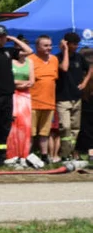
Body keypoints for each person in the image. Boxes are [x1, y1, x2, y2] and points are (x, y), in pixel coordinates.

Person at [0, 26, 31, 167]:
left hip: (7, 96)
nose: (2, 39)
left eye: (4, 36)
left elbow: (29, 51)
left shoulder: (8, 51)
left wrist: (13, 39)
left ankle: (1, 159)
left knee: (4, 128)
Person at [55, 32, 92, 161]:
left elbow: (90, 69)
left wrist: (85, 82)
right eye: (73, 44)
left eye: (77, 44)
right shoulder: (57, 58)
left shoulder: (79, 58)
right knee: (65, 127)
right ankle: (64, 154)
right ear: (67, 43)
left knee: (75, 129)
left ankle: (70, 153)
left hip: (76, 98)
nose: (76, 46)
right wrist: (64, 50)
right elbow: (64, 68)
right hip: (63, 98)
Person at [6, 37, 38, 167]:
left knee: (25, 126)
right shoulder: (10, 61)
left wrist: (20, 83)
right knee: (13, 126)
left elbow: (32, 81)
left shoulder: (29, 62)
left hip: (25, 97)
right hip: (13, 95)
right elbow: (8, 80)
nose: (21, 50)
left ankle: (23, 155)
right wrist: (20, 83)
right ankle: (11, 155)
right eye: (18, 47)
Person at [29, 35, 60, 164]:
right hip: (33, 102)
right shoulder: (30, 60)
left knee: (44, 133)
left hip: (49, 103)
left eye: (50, 45)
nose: (49, 48)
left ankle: (44, 156)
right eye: (45, 45)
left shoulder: (54, 60)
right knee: (30, 133)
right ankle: (27, 155)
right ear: (37, 47)